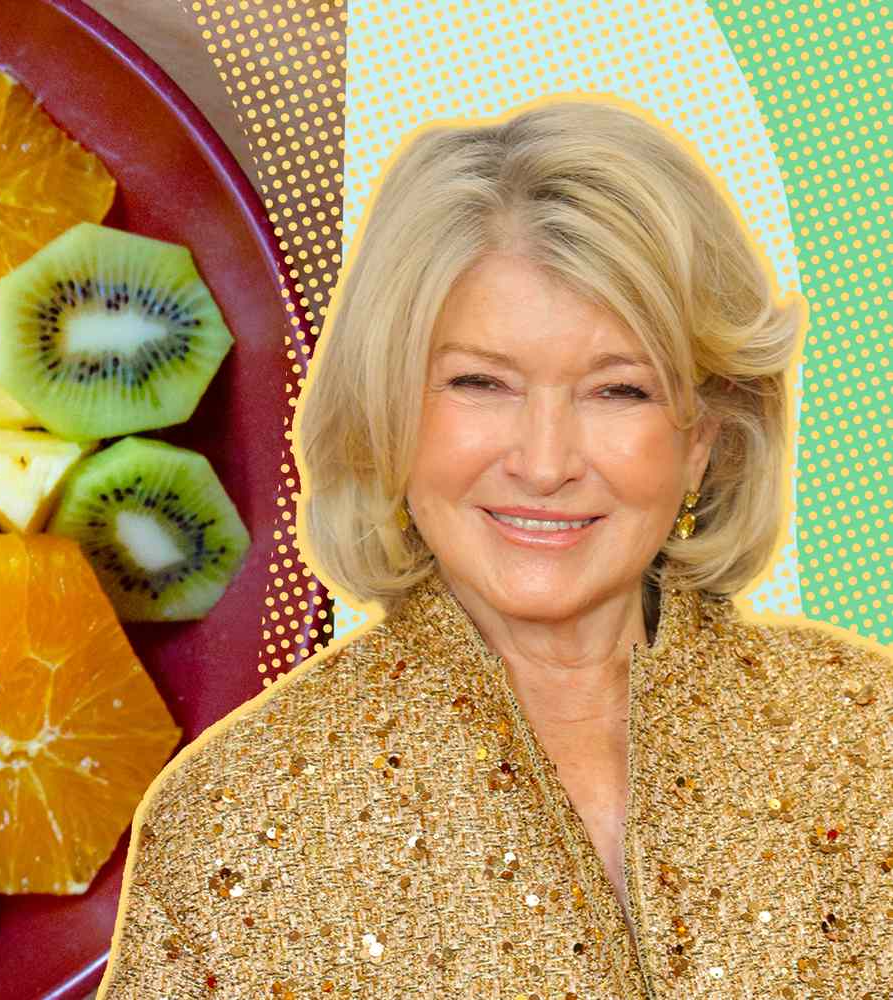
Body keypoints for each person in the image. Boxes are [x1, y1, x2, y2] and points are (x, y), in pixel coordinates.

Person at [96, 100, 893, 998]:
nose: (545, 463)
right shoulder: (238, 823)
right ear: (389, 411)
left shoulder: (869, 737)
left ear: (704, 435)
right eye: (481, 383)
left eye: (617, 391)